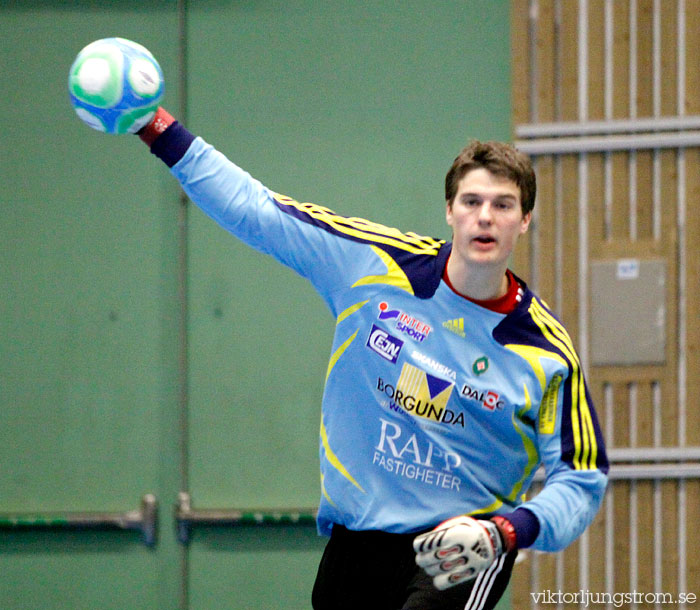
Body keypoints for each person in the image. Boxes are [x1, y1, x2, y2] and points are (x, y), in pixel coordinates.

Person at [137, 108, 609, 610]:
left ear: (525, 219)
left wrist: (507, 532)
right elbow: (258, 211)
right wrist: (157, 128)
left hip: (460, 555)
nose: (485, 216)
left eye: (503, 204)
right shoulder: (372, 265)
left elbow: (581, 476)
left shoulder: (545, 353)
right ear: (450, 211)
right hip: (356, 540)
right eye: (471, 201)